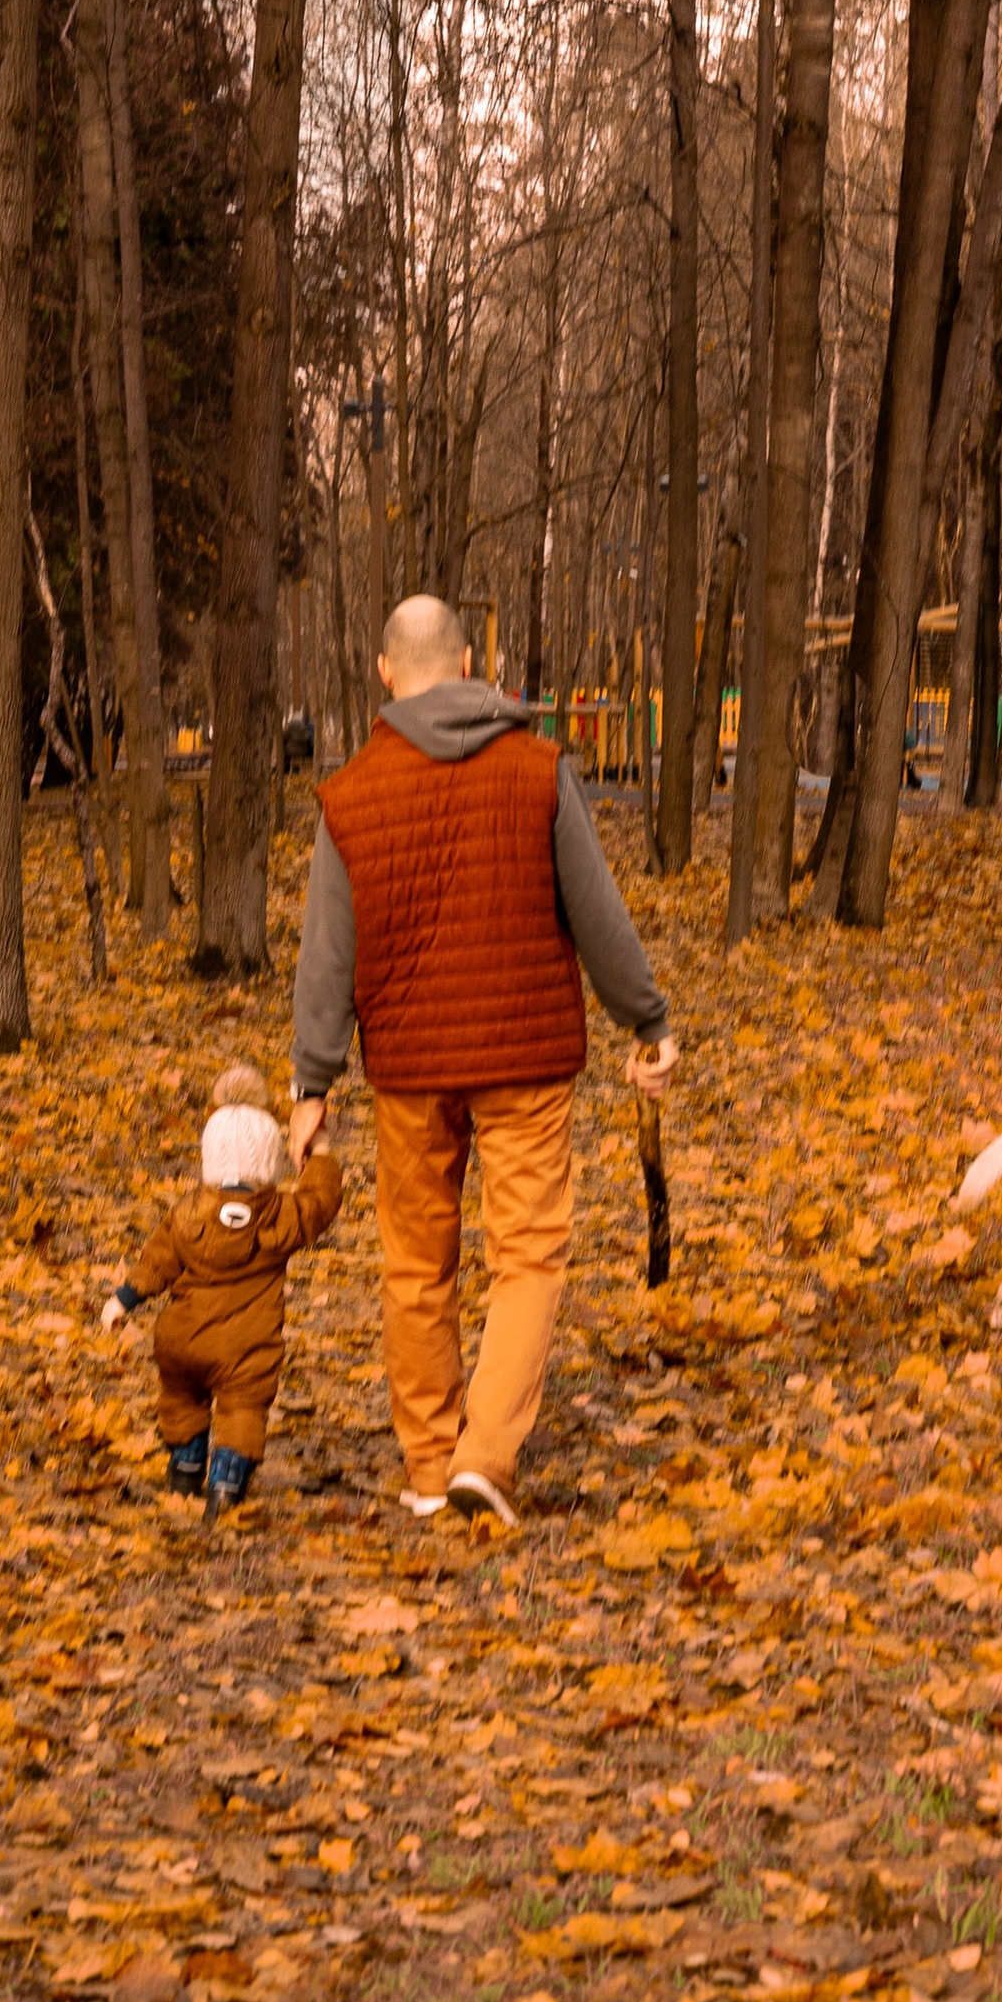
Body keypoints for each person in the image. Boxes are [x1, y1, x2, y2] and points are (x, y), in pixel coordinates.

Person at [289, 595, 676, 1525]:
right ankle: (486, 1456)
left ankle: (429, 1468)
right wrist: (646, 1020)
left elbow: (326, 953)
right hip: (526, 1056)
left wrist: (310, 1083)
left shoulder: (350, 794)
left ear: (387, 672)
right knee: (529, 1256)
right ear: (468, 662)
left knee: (416, 1267)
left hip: (410, 1064)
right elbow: (597, 910)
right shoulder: (538, 769)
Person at [101, 1062, 343, 1513]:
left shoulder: (187, 1212)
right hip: (243, 1349)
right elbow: (320, 1203)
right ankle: (225, 1489)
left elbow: (157, 1261)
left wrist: (123, 1298)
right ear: (269, 1160)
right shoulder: (281, 1216)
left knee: (182, 1399)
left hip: (181, 1340)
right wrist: (322, 1151)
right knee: (242, 1410)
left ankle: (184, 1473)